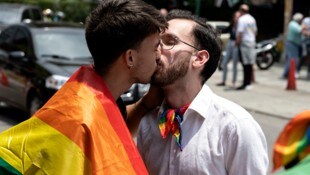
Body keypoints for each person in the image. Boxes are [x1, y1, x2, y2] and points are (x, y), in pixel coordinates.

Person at [0, 0, 167, 174]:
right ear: (130, 58)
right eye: (155, 47)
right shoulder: (80, 117)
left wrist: (147, 102)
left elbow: (112, 126)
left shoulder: (93, 95)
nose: (159, 55)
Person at [137, 9, 268, 175]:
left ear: (199, 58)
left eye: (170, 41)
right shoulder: (148, 123)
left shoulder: (235, 127)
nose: (157, 50)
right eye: (157, 42)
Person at [235, 4, 257, 90]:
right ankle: (248, 82)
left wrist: (237, 42)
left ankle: (245, 83)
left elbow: (240, 32)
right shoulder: (252, 19)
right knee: (249, 63)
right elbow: (255, 32)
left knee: (245, 63)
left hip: (244, 42)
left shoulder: (242, 19)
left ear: (241, 10)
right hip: (251, 42)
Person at [217, 11, 241, 87]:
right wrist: (216, 32)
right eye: (235, 16)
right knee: (224, 62)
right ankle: (223, 80)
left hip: (237, 44)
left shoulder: (241, 25)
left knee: (234, 64)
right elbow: (225, 30)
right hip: (230, 42)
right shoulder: (232, 25)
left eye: (238, 17)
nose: (236, 18)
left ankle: (234, 81)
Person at [282, 12, 304, 79]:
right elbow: (300, 30)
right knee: (292, 60)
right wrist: (304, 26)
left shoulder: (295, 24)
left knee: (292, 59)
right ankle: (286, 74)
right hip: (292, 44)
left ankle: (287, 74)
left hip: (294, 44)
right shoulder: (293, 24)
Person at [297, 11, 310, 79]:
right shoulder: (306, 20)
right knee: (303, 55)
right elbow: (302, 29)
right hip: (305, 40)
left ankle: (308, 73)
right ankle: (297, 71)